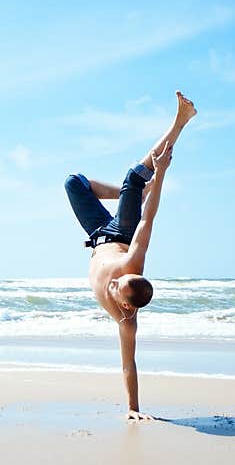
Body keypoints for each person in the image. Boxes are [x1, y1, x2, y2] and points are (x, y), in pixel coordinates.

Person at [64, 91, 197, 421]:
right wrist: (161, 172)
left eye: (116, 288)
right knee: (135, 179)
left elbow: (129, 363)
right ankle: (180, 122)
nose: (113, 281)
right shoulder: (131, 263)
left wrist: (134, 409)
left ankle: (132, 195)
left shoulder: (126, 321)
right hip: (122, 232)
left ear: (124, 304)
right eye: (119, 280)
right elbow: (149, 219)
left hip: (96, 235)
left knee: (73, 183)